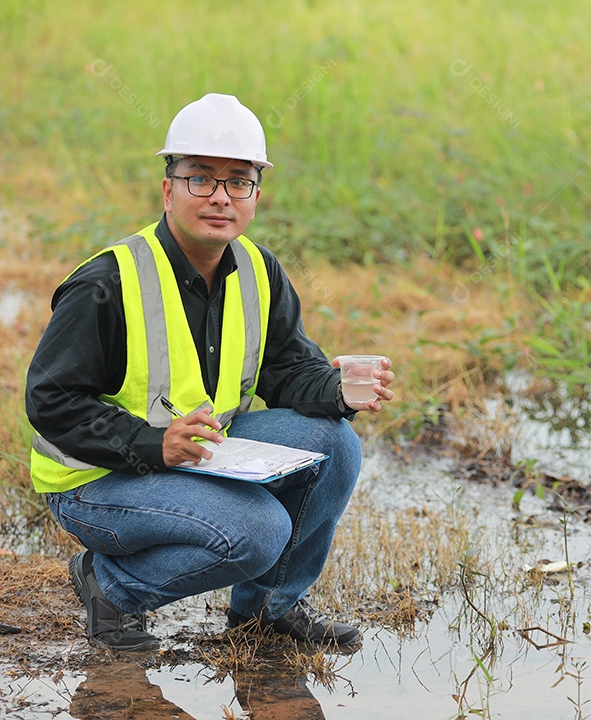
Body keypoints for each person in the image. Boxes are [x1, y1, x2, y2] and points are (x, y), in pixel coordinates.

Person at [25, 93, 394, 653]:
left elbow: (286, 369)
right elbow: (51, 399)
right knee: (260, 529)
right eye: (201, 178)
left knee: (334, 444)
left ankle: (268, 611)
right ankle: (112, 585)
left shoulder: (257, 267)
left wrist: (335, 387)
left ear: (255, 195)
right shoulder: (108, 282)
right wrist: (152, 444)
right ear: (168, 188)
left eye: (238, 181)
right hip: (94, 483)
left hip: (194, 453)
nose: (221, 197)